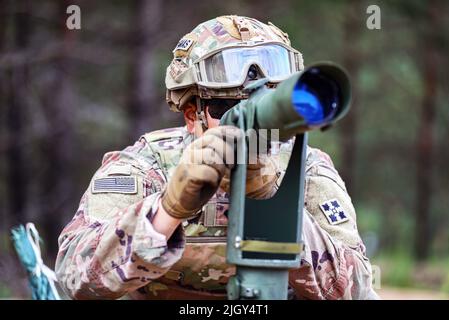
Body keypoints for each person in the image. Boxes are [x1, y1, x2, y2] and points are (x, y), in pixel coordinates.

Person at [55, 15, 379, 300]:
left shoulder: (305, 167)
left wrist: (273, 204)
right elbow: (75, 279)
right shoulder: (146, 164)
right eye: (225, 109)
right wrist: (168, 210)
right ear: (192, 115)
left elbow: (358, 291)